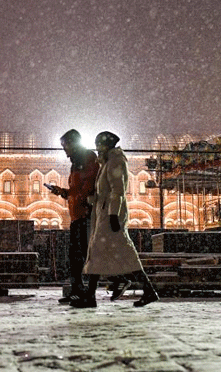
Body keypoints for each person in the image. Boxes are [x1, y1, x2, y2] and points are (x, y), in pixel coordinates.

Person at [71, 131, 159, 308]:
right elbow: (104, 192)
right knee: (104, 251)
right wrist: (92, 201)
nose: (96, 148)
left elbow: (117, 191)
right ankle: (147, 290)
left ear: (106, 145)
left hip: (110, 215)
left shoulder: (115, 162)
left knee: (108, 250)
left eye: (99, 145)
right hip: (104, 212)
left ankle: (91, 296)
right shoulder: (107, 163)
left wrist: (113, 215)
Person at [48, 129, 99, 304]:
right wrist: (63, 192)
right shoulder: (76, 163)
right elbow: (77, 190)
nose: (64, 150)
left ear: (74, 143)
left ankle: (89, 295)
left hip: (86, 214)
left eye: (66, 146)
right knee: (75, 257)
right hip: (77, 215)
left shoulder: (88, 158)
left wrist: (79, 199)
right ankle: (76, 290)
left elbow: (89, 186)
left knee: (88, 255)